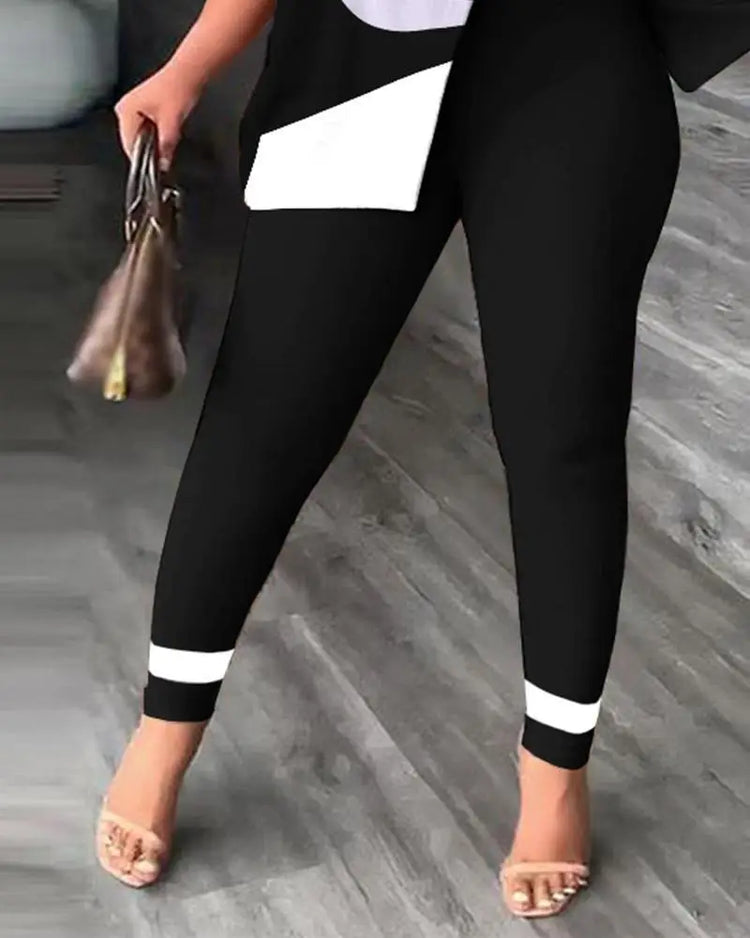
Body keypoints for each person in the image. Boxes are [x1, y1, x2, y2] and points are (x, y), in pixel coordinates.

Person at [96, 0, 747, 919]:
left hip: (575, 52)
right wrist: (188, 68)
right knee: (264, 417)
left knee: (563, 429)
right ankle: (166, 727)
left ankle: (556, 767)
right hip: (349, 54)